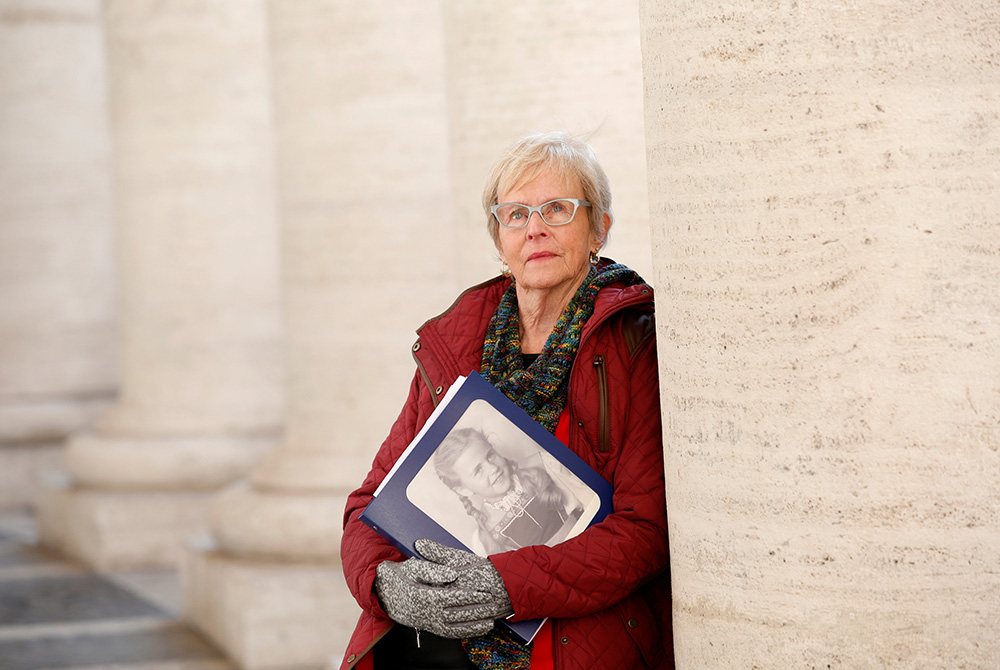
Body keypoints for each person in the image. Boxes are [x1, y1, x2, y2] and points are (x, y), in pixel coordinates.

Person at [341, 131, 672, 670]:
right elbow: (369, 505)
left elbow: (645, 531)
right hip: (438, 651)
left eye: (557, 209)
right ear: (499, 241)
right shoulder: (453, 346)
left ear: (600, 228)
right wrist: (384, 584)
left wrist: (504, 585)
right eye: (515, 214)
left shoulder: (636, 341)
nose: (535, 227)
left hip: (574, 645)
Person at [432, 427, 585, 554]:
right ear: (464, 489)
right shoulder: (484, 538)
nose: (493, 469)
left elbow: (591, 500)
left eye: (490, 456)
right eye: (478, 470)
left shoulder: (545, 465)